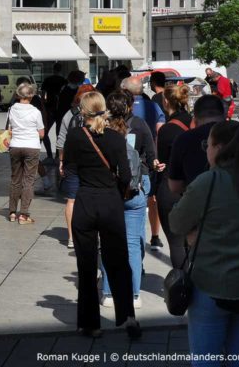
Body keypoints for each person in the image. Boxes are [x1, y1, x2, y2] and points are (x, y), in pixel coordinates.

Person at [170, 121, 239, 364]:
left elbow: (176, 223)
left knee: (206, 358)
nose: (206, 150)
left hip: (211, 283)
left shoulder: (209, 181)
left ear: (219, 148)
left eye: (208, 145)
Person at [63, 92, 141, 339]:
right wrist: (116, 191)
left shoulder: (75, 136)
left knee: (86, 266)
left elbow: (70, 171)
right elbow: (127, 176)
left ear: (82, 111)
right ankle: (127, 317)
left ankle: (90, 324)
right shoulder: (117, 138)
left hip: (85, 201)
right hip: (110, 202)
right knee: (118, 262)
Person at [99, 90, 155, 310]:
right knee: (132, 242)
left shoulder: (101, 128)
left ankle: (109, 292)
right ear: (130, 106)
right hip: (135, 187)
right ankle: (133, 294)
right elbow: (151, 156)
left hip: (107, 191)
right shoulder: (140, 125)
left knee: (109, 242)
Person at [121, 76, 165, 251]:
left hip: (125, 164)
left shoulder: (119, 108)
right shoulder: (153, 106)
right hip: (147, 162)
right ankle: (155, 236)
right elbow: (160, 130)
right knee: (151, 199)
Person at [155, 84, 192, 269]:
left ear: (166, 101)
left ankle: (182, 286)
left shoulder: (166, 130)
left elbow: (161, 160)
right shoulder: (194, 123)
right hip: (194, 186)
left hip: (170, 188)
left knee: (176, 243)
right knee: (192, 242)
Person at [57, 84, 95, 248]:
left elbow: (61, 142)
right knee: (93, 198)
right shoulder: (98, 115)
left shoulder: (69, 114)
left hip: (72, 162)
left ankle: (72, 237)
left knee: (71, 201)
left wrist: (61, 162)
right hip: (92, 162)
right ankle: (91, 234)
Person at [168, 95, 226, 196]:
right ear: (224, 115)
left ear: (195, 119)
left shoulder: (184, 139)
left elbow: (175, 186)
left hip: (198, 203)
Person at [7, 83, 44, 225]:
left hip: (15, 145)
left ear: (17, 95)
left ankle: (11, 212)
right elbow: (41, 134)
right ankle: (23, 214)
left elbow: (9, 128)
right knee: (28, 180)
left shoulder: (11, 109)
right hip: (31, 147)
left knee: (15, 179)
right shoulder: (36, 112)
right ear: (32, 95)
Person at [41, 63, 67, 160]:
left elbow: (43, 95)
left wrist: (44, 106)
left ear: (53, 69)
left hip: (50, 109)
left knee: (45, 132)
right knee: (59, 134)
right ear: (61, 70)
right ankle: (57, 155)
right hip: (61, 110)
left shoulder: (48, 80)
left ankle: (49, 155)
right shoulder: (64, 81)